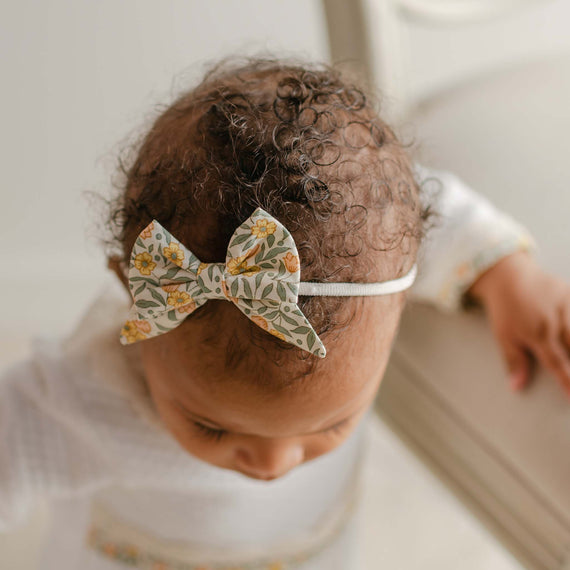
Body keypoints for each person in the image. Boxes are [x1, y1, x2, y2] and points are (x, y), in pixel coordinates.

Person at [1, 56, 569, 570]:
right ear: (137, 295)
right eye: (211, 426)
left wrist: (504, 273)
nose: (274, 464)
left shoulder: (373, 267)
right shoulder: (87, 397)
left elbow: (427, 209)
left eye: (330, 425)